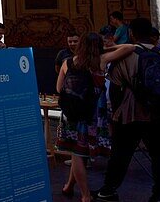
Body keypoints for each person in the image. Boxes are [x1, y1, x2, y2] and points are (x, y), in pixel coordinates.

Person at [94, 18, 160, 202]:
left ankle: (109, 189)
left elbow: (115, 89)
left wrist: (115, 113)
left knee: (120, 154)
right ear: (152, 34)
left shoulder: (125, 57)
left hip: (130, 114)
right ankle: (159, 194)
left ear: (131, 33)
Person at [55, 32, 109, 202]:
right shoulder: (100, 61)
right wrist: (103, 49)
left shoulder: (68, 62)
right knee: (79, 152)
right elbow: (129, 47)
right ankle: (85, 194)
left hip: (72, 112)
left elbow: (58, 88)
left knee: (77, 151)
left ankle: (73, 187)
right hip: (92, 113)